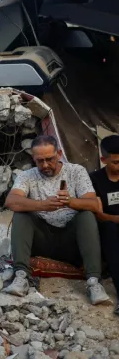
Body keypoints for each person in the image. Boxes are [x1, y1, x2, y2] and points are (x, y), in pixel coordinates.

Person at [3, 135, 110, 304]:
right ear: (33, 158)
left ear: (59, 154)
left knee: (86, 215)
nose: (45, 165)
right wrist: (43, 205)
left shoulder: (76, 171)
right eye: (40, 161)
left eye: (50, 159)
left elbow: (94, 205)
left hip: (71, 240)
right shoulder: (27, 176)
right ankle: (21, 276)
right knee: (21, 213)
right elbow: (11, 201)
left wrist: (70, 202)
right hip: (42, 239)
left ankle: (94, 282)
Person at [90, 134, 119, 315]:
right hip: (108, 229)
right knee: (110, 230)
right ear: (103, 159)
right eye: (115, 162)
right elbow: (99, 215)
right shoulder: (94, 179)